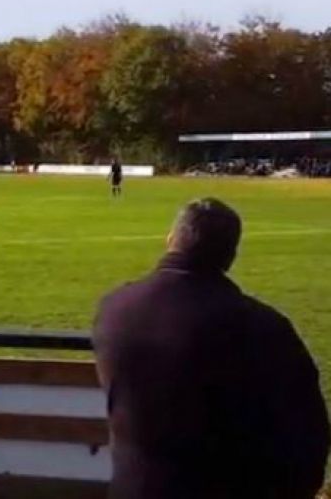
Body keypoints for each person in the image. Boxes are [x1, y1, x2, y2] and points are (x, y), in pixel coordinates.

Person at [93, 198, 329, 499]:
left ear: (170, 241)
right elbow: (307, 433)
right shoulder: (261, 326)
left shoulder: (114, 307)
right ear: (230, 257)